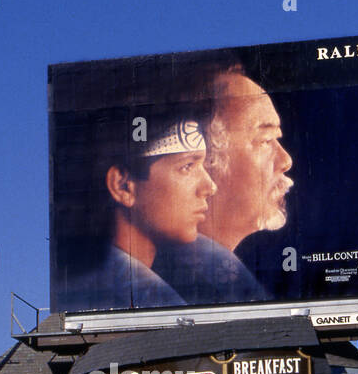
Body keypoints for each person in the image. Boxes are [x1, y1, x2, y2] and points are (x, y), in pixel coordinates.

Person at [62, 89, 218, 311]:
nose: (210, 186)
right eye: (187, 166)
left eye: (202, 165)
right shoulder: (146, 299)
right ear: (123, 186)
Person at [153, 65, 293, 305]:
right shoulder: (175, 291)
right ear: (201, 159)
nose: (286, 161)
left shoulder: (214, 282)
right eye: (266, 140)